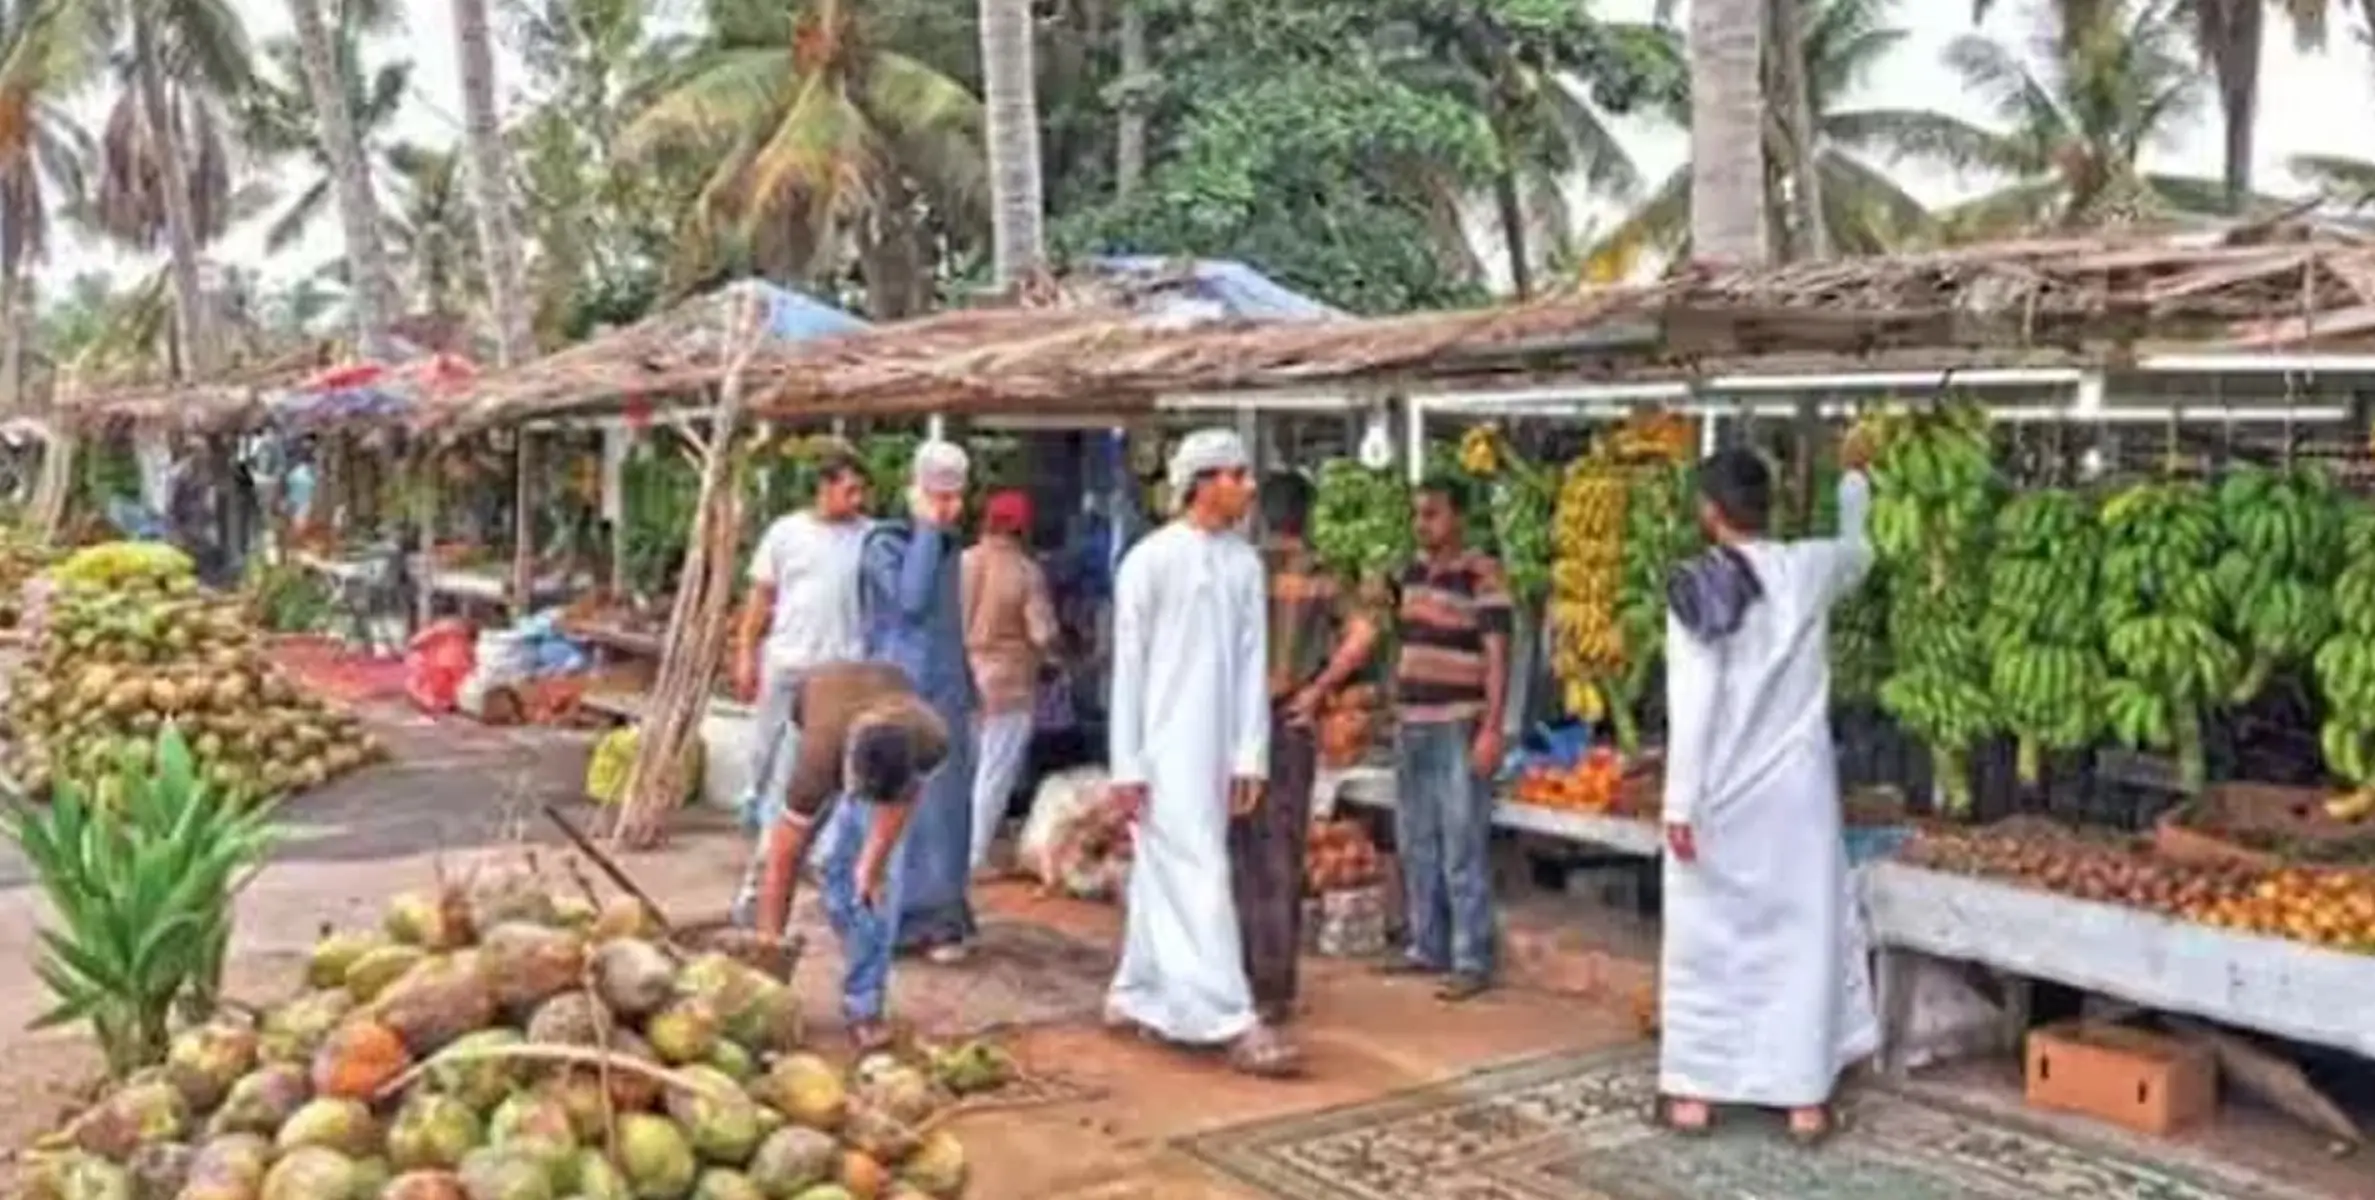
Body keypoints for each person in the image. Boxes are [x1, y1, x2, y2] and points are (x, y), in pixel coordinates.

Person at [1655, 443, 1878, 1145]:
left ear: (1707, 512)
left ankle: (1695, 1090)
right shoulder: (1809, 568)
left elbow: (1693, 704)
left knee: (1707, 942)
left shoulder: (1697, 587)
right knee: (1801, 940)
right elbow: (1860, 552)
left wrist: (1678, 804)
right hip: (1795, 795)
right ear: (1767, 507)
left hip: (1719, 794)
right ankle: (1803, 1100)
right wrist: (1851, 481)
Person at [1105, 429, 1298, 1077]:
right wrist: (1126, 765)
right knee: (1200, 873)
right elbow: (1126, 669)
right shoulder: (1148, 561)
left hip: (1218, 747)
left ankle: (1137, 992)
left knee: (1172, 871)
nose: (1247, 487)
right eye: (1237, 475)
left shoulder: (1244, 564)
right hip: (1162, 748)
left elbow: (1250, 666)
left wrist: (1250, 754)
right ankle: (1229, 1016)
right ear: (1201, 482)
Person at [745, 660, 951, 1050]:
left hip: (885, 707)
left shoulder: (929, 737)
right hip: (814, 707)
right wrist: (771, 949)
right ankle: (760, 941)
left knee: (878, 885)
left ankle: (864, 1005)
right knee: (780, 852)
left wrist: (869, 868)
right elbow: (784, 854)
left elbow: (900, 804)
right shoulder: (817, 757)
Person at [1243, 471, 1379, 1024]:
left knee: (1235, 851)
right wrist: (1320, 688)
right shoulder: (1320, 574)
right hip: (1289, 720)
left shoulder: (1239, 567)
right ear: (1308, 514)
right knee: (1281, 851)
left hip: (1234, 721)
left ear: (1263, 513)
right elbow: (1366, 631)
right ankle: (1274, 988)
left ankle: (1236, 974)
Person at [1380, 475, 1512, 1003]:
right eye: (1418, 514)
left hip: (1459, 723)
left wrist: (1493, 726)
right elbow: (1401, 643)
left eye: (1432, 514)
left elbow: (1499, 655)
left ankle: (1470, 957)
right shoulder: (1411, 574)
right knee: (1417, 841)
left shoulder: (1483, 575)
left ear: (1458, 517)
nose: (1422, 524)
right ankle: (1425, 945)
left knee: (1462, 842)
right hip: (1413, 722)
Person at [728, 453, 872, 927]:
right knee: (766, 768)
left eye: (861, 491)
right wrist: (746, 653)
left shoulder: (869, 538)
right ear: (824, 488)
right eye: (849, 490)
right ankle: (766, 863)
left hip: (837, 675)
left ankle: (776, 872)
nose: (857, 500)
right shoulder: (786, 533)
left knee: (814, 775)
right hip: (786, 666)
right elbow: (761, 600)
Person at [858, 441, 978, 963]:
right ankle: (894, 919)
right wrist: (926, 530)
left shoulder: (950, 546)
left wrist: (969, 686)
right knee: (900, 811)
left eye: (955, 498)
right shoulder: (885, 545)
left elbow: (950, 626)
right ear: (916, 492)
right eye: (938, 496)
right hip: (900, 696)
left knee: (949, 814)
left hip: (946, 695)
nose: (948, 508)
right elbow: (910, 602)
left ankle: (943, 918)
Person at [961, 489, 1058, 872]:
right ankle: (973, 856)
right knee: (994, 774)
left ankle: (953, 850)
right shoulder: (1025, 572)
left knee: (966, 770)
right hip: (1008, 684)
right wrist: (1057, 652)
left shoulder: (964, 562)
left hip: (964, 676)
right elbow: (1041, 633)